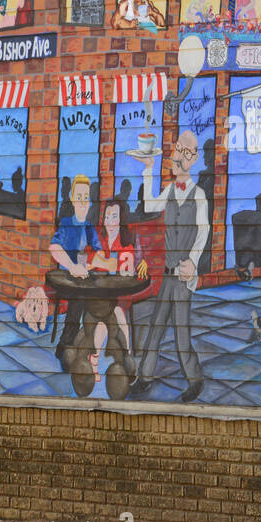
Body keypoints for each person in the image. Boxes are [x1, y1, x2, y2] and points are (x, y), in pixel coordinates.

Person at [130, 130, 209, 403]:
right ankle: (145, 377)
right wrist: (149, 170)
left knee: (181, 331)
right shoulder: (170, 190)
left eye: (188, 152)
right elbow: (150, 204)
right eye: (179, 149)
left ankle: (195, 380)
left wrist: (195, 262)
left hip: (183, 277)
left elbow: (203, 230)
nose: (182, 155)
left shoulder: (198, 196)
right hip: (166, 275)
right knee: (156, 327)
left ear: (194, 158)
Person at [85, 199, 149, 382]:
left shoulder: (128, 241)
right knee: (104, 321)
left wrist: (141, 264)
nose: (110, 221)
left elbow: (137, 268)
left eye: (114, 216)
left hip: (120, 295)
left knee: (119, 315)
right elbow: (88, 260)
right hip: (99, 295)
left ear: (121, 219)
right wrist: (96, 262)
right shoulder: (98, 238)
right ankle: (96, 360)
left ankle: (126, 360)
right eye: (107, 216)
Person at [48, 176, 101, 362]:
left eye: (86, 197)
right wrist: (72, 267)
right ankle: (65, 344)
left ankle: (83, 344)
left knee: (96, 299)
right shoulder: (66, 224)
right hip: (66, 277)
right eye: (79, 197)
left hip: (83, 277)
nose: (83, 202)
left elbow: (100, 252)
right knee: (79, 298)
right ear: (72, 198)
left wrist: (91, 264)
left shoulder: (88, 227)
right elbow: (54, 247)